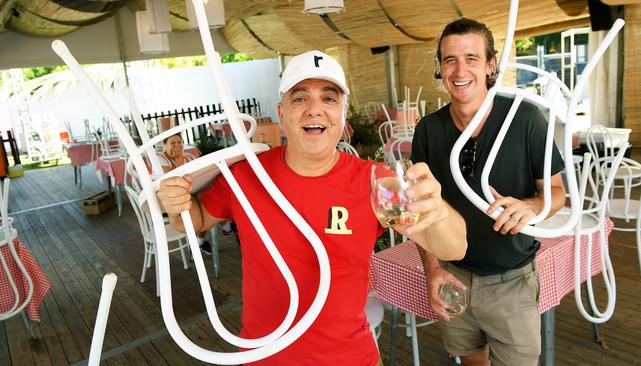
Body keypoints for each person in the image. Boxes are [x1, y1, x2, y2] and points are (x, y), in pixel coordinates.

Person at [157, 50, 467, 365]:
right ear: (282, 112)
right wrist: (176, 204)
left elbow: (454, 248)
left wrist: (439, 212)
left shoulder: (374, 182)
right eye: (300, 98)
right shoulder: (247, 175)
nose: (315, 110)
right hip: (264, 356)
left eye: (329, 99)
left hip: (350, 357)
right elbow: (192, 221)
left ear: (343, 114)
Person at [411, 19, 567, 366]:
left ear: (490, 65)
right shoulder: (429, 130)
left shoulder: (525, 119)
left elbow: (556, 192)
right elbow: (419, 212)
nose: (460, 69)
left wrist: (533, 206)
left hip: (512, 280)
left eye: (471, 57)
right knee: (471, 361)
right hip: (455, 276)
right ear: (440, 67)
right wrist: (434, 271)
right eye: (450, 59)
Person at [158, 134, 213, 254]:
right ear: (164, 145)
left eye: (179, 142)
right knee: (202, 201)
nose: (177, 146)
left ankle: (199, 242)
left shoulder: (186, 157)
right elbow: (172, 180)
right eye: (173, 143)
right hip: (164, 203)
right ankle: (200, 241)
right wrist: (178, 160)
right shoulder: (160, 159)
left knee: (206, 197)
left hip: (183, 196)